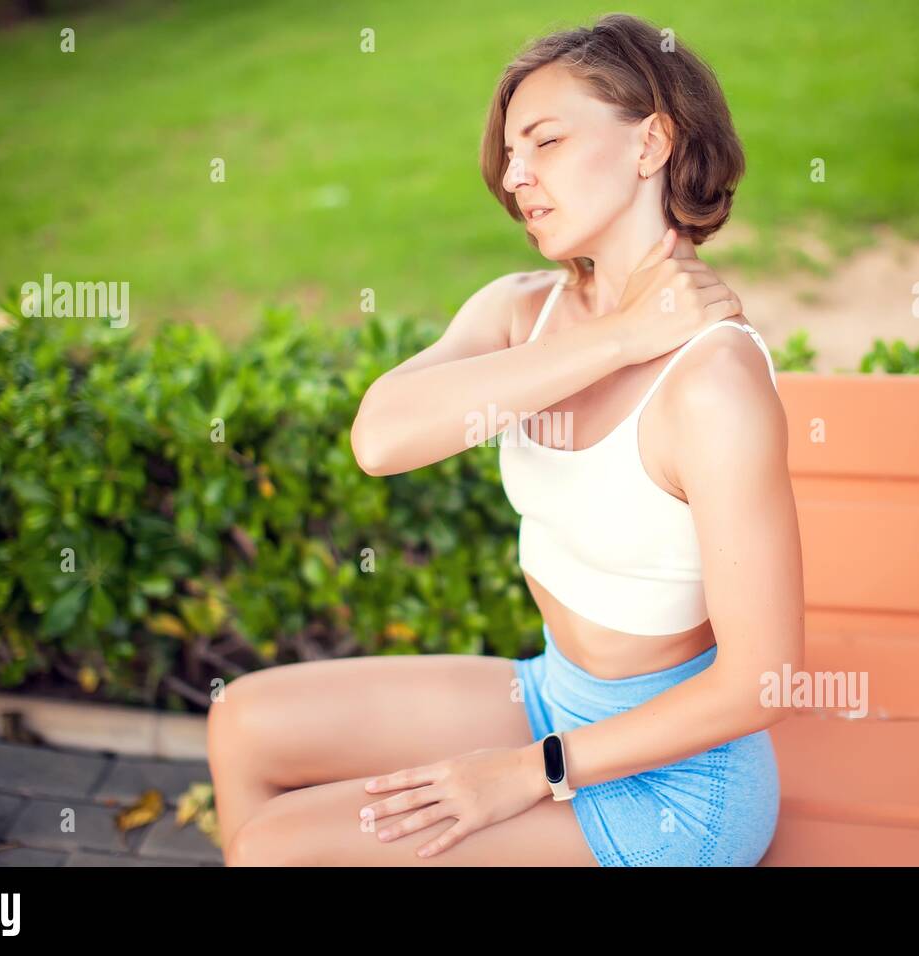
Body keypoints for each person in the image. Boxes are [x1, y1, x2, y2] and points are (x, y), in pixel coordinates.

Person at [208, 12, 804, 867]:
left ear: (651, 143)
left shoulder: (713, 385)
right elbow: (381, 439)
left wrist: (533, 771)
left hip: (676, 789)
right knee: (242, 725)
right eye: (510, 154)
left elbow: (763, 679)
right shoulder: (523, 310)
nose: (516, 175)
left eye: (545, 142)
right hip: (554, 693)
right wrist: (615, 339)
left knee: (279, 850)